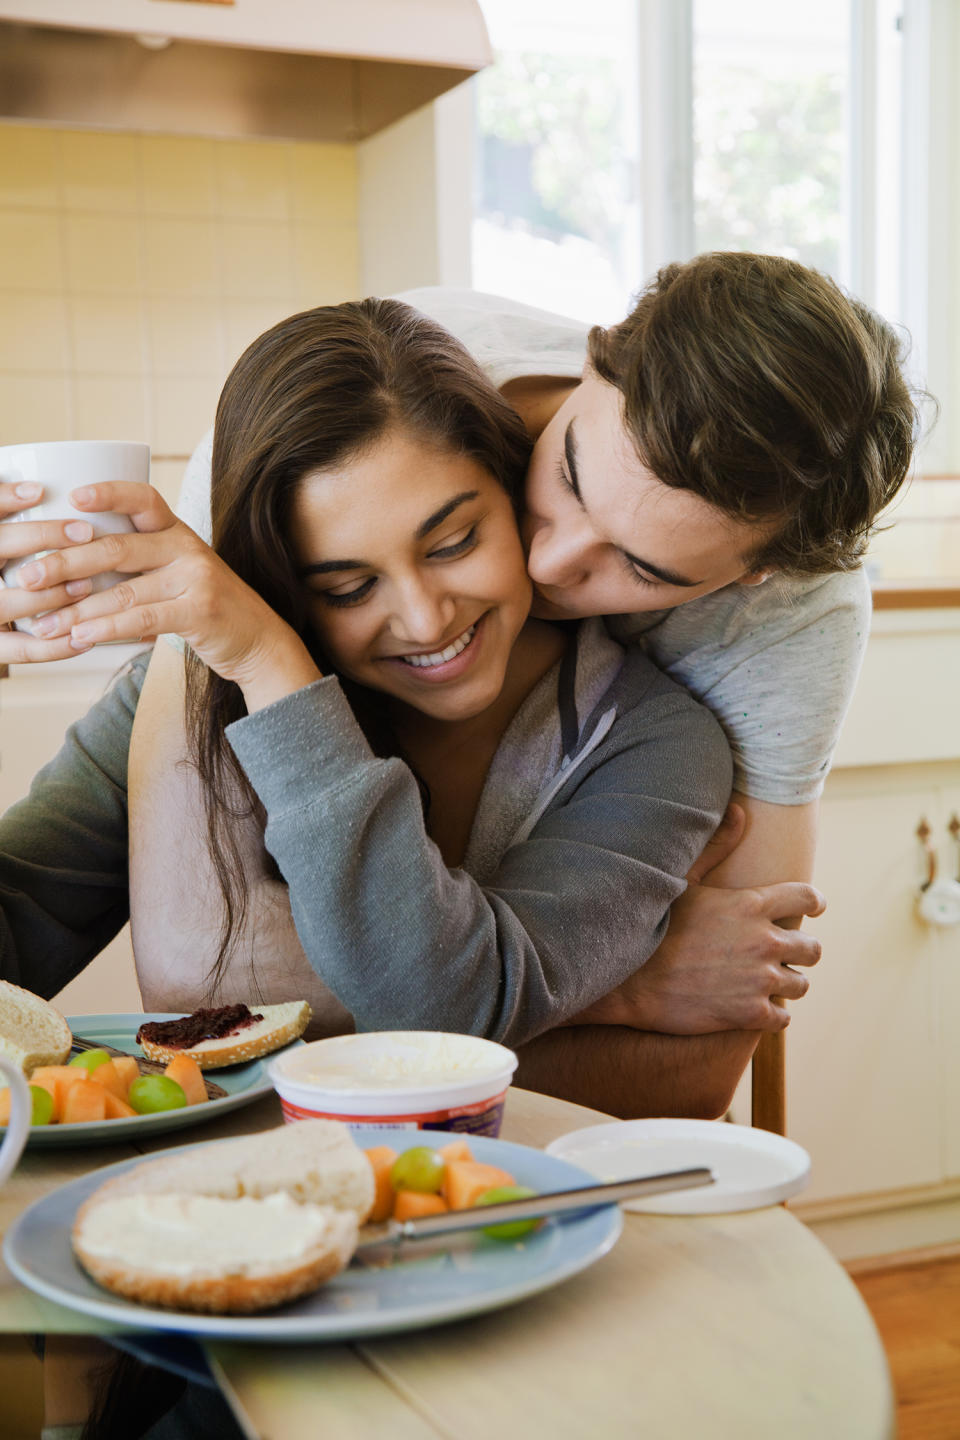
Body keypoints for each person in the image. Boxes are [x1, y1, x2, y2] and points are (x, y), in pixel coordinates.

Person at [0, 297, 743, 1114]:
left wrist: (272, 666)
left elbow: (439, 1015)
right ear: (287, 593)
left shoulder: (649, 741)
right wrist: (267, 661)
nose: (427, 619)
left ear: (512, 487)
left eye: (455, 542)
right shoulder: (206, 687)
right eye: (348, 587)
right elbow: (16, 938)